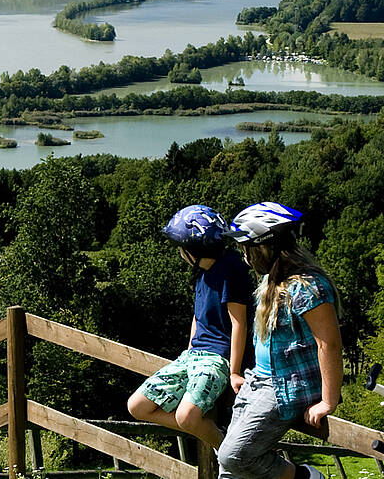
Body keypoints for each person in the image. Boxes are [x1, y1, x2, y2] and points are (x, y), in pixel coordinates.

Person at [215, 202, 343, 479]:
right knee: (226, 467)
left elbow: (329, 344)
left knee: (234, 456)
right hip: (259, 380)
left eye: (245, 248)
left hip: (286, 387)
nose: (244, 256)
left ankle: (305, 477)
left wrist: (328, 401)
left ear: (264, 247)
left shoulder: (306, 287)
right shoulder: (272, 280)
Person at [126, 205, 253, 447]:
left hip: (218, 358)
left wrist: (235, 372)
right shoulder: (202, 272)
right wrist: (188, 351)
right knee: (137, 405)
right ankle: (211, 430)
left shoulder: (231, 269)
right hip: (193, 355)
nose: (180, 252)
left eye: (181, 247)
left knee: (187, 416)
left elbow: (239, 323)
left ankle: (230, 455)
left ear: (195, 248)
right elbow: (198, 316)